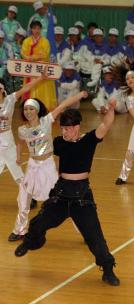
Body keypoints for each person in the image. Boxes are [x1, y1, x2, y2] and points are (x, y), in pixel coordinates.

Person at [14, 102, 120, 287]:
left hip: (82, 196)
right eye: (63, 128)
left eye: (69, 128)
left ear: (77, 126)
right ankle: (31, 243)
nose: (65, 132)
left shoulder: (89, 140)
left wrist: (110, 110)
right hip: (61, 193)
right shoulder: (58, 142)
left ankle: (108, 269)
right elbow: (40, 146)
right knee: (39, 222)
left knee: (94, 237)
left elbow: (106, 125)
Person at [10, 89, 85, 242]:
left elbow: (63, 105)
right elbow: (20, 143)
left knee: (65, 198)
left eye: (31, 108)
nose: (28, 111)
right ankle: (19, 230)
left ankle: (85, 231)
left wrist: (79, 95)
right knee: (23, 197)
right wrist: (18, 156)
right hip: (32, 166)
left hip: (47, 166)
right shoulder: (22, 130)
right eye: (25, 109)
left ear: (37, 110)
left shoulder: (46, 121)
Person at [0, 75, 46, 190]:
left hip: (7, 143)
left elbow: (26, 88)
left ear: (2, 90)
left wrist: (40, 78)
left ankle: (30, 194)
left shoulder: (10, 100)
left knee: (17, 172)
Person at [21, 20, 57, 110]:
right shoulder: (26, 41)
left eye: (38, 28)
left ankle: (44, 107)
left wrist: (33, 57)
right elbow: (23, 52)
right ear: (31, 30)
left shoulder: (45, 41)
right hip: (30, 69)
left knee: (43, 89)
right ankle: (30, 106)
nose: (36, 30)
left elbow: (45, 53)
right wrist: (27, 57)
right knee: (30, 87)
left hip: (41, 69)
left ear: (40, 29)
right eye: (34, 28)